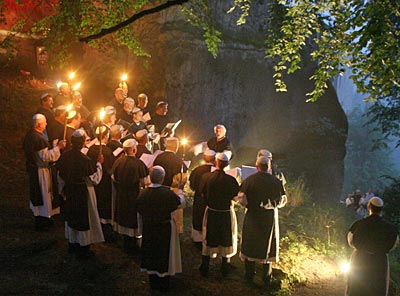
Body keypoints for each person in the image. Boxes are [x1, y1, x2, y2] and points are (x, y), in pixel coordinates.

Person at [238, 156, 287, 287]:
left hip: (252, 216)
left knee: (250, 242)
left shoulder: (249, 180)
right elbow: (283, 200)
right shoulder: (276, 182)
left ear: (257, 166)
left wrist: (248, 205)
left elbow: (241, 197)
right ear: (269, 166)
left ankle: (249, 275)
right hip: (268, 218)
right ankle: (266, 276)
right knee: (268, 243)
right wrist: (272, 206)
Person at [136, 166, 185, 292]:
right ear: (162, 179)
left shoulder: (143, 193)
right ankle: (163, 283)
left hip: (149, 228)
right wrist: (180, 190)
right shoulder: (167, 194)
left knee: (151, 253)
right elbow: (180, 203)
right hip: (164, 229)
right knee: (163, 254)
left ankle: (153, 282)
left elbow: (139, 210)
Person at [57, 129, 105, 258]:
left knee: (72, 217)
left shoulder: (65, 156)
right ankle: (83, 248)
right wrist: (99, 164)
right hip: (83, 193)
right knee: (84, 218)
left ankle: (72, 243)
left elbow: (60, 175)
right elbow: (94, 179)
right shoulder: (85, 160)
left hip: (70, 191)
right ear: (83, 142)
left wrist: (62, 190)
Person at [346, 197, 399, 296]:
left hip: (359, 259)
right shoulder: (390, 228)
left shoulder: (359, 224)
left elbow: (351, 241)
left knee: (356, 286)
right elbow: (393, 245)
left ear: (369, 206)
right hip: (379, 262)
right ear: (381, 209)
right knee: (377, 288)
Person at [23, 114, 66, 231]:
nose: (46, 124)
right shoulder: (38, 139)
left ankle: (42, 218)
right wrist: (59, 148)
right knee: (44, 195)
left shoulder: (30, 135)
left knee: (40, 195)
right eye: (45, 122)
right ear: (39, 124)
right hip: (41, 172)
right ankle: (43, 220)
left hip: (35, 170)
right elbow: (45, 157)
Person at [199, 152, 240, 277]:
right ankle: (225, 267)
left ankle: (205, 266)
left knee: (208, 237)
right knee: (226, 237)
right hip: (226, 213)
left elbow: (201, 194)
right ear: (227, 164)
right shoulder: (231, 180)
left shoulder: (206, 177)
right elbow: (236, 198)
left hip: (211, 211)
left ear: (215, 162)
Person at [111, 139, 149, 254]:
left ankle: (125, 242)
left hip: (121, 195)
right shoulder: (139, 163)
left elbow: (113, 178)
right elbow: (144, 182)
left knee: (123, 216)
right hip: (134, 196)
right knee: (132, 219)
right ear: (134, 149)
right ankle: (132, 244)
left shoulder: (118, 162)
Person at [153, 137, 187, 234]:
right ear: (176, 147)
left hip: (158, 190)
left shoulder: (158, 157)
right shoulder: (178, 160)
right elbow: (182, 179)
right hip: (172, 192)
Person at [87, 126, 115, 242]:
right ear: (105, 136)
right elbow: (111, 168)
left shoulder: (91, 149)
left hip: (93, 182)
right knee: (104, 204)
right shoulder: (107, 151)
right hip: (105, 182)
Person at [189, 149, 216, 249]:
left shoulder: (197, 170)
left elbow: (192, 186)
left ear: (204, 158)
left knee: (198, 217)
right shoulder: (216, 172)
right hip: (212, 200)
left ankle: (198, 241)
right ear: (214, 159)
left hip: (199, 198)